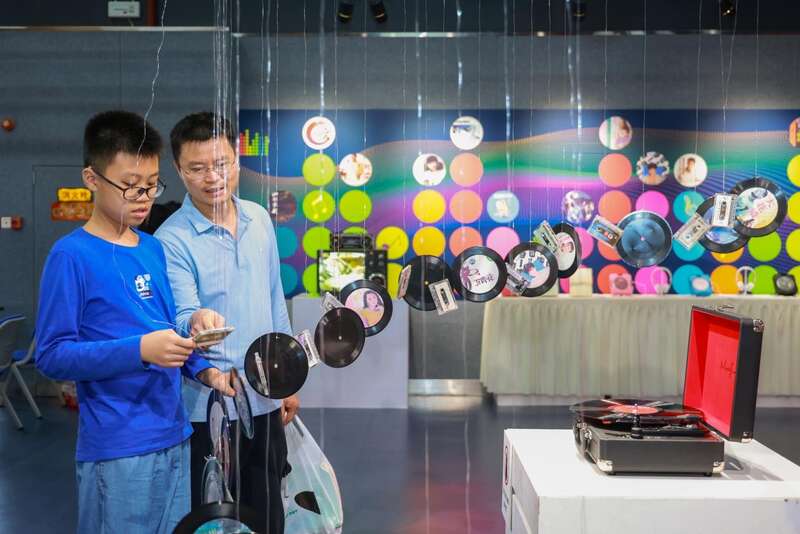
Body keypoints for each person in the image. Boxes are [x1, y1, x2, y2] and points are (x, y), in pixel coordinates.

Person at [35, 110, 232, 534]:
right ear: (92, 178)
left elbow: (166, 332)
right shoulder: (71, 256)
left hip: (174, 435)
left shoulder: (151, 248)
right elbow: (52, 355)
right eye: (130, 186)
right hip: (118, 448)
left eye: (151, 185)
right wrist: (139, 350)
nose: (143, 197)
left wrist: (207, 370)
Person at [155, 111, 300, 534]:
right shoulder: (171, 239)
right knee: (212, 520)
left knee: (268, 514)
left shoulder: (259, 218)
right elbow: (182, 317)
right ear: (179, 170)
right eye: (197, 168)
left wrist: (288, 377)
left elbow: (274, 298)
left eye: (221, 164)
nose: (213, 177)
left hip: (265, 396)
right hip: (208, 408)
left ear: (237, 159)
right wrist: (196, 320)